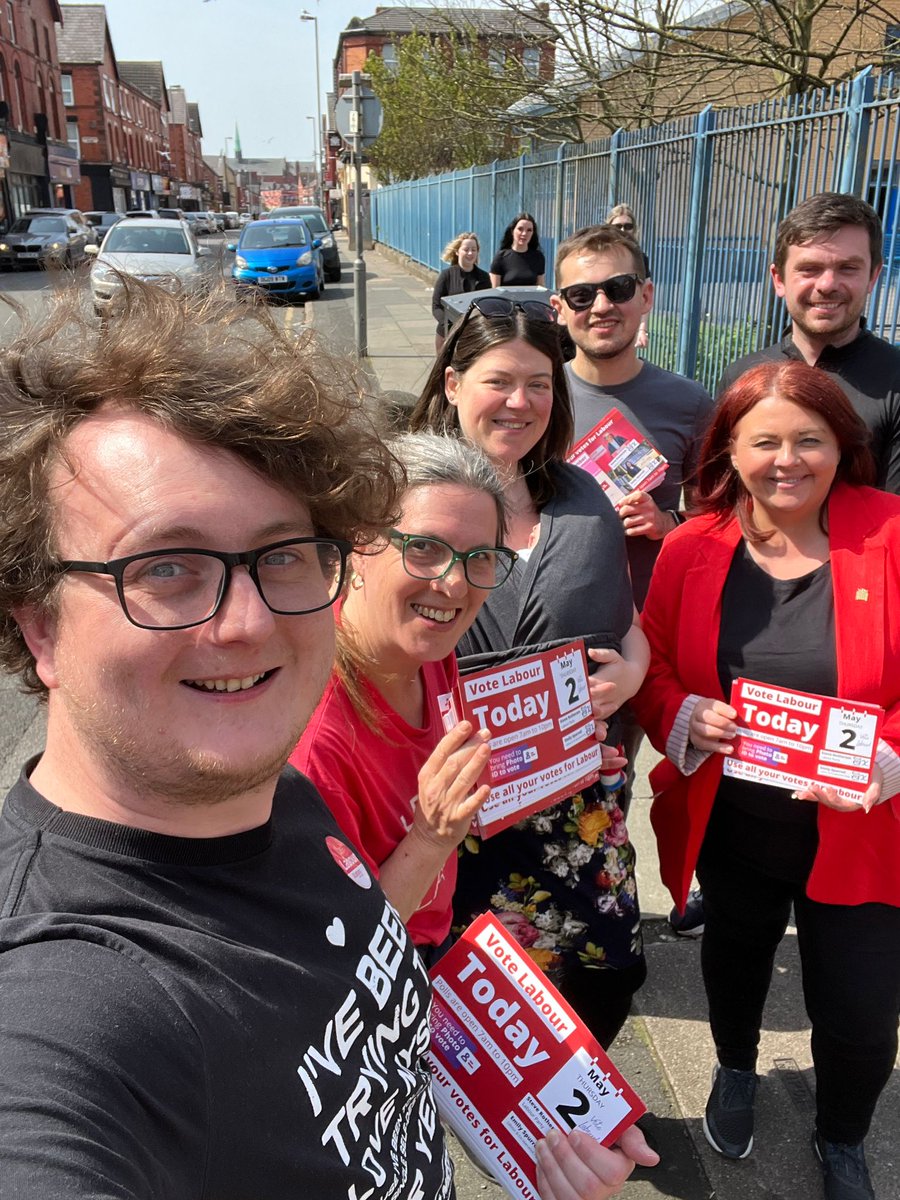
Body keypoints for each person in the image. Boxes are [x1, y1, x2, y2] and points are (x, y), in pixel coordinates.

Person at [0, 283, 658, 1200]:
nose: (243, 625)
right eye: (165, 569)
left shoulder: (283, 801)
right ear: (38, 629)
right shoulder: (63, 1000)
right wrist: (431, 835)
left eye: (281, 556)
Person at [632, 360, 900, 1200]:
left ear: (840, 445)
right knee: (737, 962)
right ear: (730, 451)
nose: (788, 460)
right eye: (766, 441)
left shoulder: (890, 530)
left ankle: (843, 1134)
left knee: (859, 1015)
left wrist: (893, 753)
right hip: (735, 826)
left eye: (809, 439)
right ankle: (736, 1068)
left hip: (862, 834)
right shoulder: (692, 546)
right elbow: (653, 661)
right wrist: (677, 715)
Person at [410, 296, 650, 1050]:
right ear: (452, 384)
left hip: (574, 803)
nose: (521, 402)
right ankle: (498, 1129)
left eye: (541, 384)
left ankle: (569, 1111)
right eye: (499, 381)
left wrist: (632, 676)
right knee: (463, 990)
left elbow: (628, 623)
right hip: (445, 808)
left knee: (609, 973)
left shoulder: (584, 500)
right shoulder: (404, 493)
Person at [291, 433, 511, 962]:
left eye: (479, 557)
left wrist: (564, 742)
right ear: (361, 544)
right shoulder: (315, 738)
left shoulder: (429, 652)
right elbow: (347, 943)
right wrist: (432, 836)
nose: (455, 585)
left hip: (433, 935)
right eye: (426, 549)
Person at [553, 223, 713, 826]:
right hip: (554, 635)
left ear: (646, 296)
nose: (601, 306)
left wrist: (667, 519)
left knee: (614, 786)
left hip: (650, 634)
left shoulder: (689, 403)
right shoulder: (536, 396)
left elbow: (719, 518)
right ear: (559, 308)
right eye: (582, 294)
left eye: (618, 288)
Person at [718, 191, 900, 494]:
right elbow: (727, 500)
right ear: (778, 279)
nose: (827, 285)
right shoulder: (742, 376)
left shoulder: (896, 380)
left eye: (848, 268)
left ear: (873, 276)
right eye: (810, 269)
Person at [431, 231, 491, 352]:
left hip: (473, 335)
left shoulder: (484, 277)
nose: (470, 253)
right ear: (457, 252)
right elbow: (436, 306)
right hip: (447, 334)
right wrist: (450, 326)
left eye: (474, 250)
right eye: (466, 249)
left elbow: (488, 307)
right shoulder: (446, 275)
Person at [605, 205, 650, 347]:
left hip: (627, 320)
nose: (623, 230)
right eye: (618, 226)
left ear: (634, 229)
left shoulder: (639, 258)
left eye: (628, 226)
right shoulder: (600, 256)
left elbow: (644, 295)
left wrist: (642, 330)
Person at [489, 211, 546, 287]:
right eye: (520, 229)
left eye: (529, 230)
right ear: (512, 231)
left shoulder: (538, 257)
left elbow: (541, 288)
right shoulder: (500, 257)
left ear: (533, 233)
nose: (524, 234)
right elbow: (494, 290)